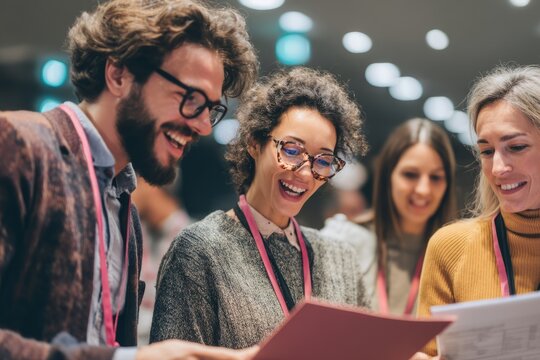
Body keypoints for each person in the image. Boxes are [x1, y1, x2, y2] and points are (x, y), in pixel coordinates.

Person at [0, 0, 258, 359]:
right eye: (191, 98)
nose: (202, 125)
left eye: (211, 110)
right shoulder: (17, 145)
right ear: (119, 75)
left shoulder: (124, 208)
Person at [150, 67, 369, 349]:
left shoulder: (341, 261)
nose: (305, 173)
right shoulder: (201, 250)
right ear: (255, 143)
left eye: (323, 160)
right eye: (291, 150)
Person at [416, 64, 540, 357]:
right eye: (486, 151)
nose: (497, 168)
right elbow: (426, 354)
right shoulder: (451, 247)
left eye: (517, 147)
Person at [321, 118, 457, 315]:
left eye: (436, 177)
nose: (423, 190)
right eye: (410, 174)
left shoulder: (454, 258)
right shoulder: (341, 242)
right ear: (387, 176)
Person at [131, 175, 193, 345]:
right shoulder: (138, 230)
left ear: (149, 184)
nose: (126, 192)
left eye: (132, 183)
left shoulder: (191, 243)